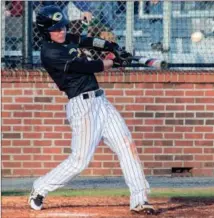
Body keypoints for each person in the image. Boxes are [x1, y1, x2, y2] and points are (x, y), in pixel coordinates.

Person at [28, 5, 154, 215]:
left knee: (126, 146)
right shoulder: (50, 53)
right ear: (44, 31)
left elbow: (86, 41)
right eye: (56, 29)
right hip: (82, 106)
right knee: (79, 161)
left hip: (100, 101)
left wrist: (111, 46)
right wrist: (112, 62)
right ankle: (40, 187)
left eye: (63, 27)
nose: (62, 32)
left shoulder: (66, 38)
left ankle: (139, 200)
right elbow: (87, 66)